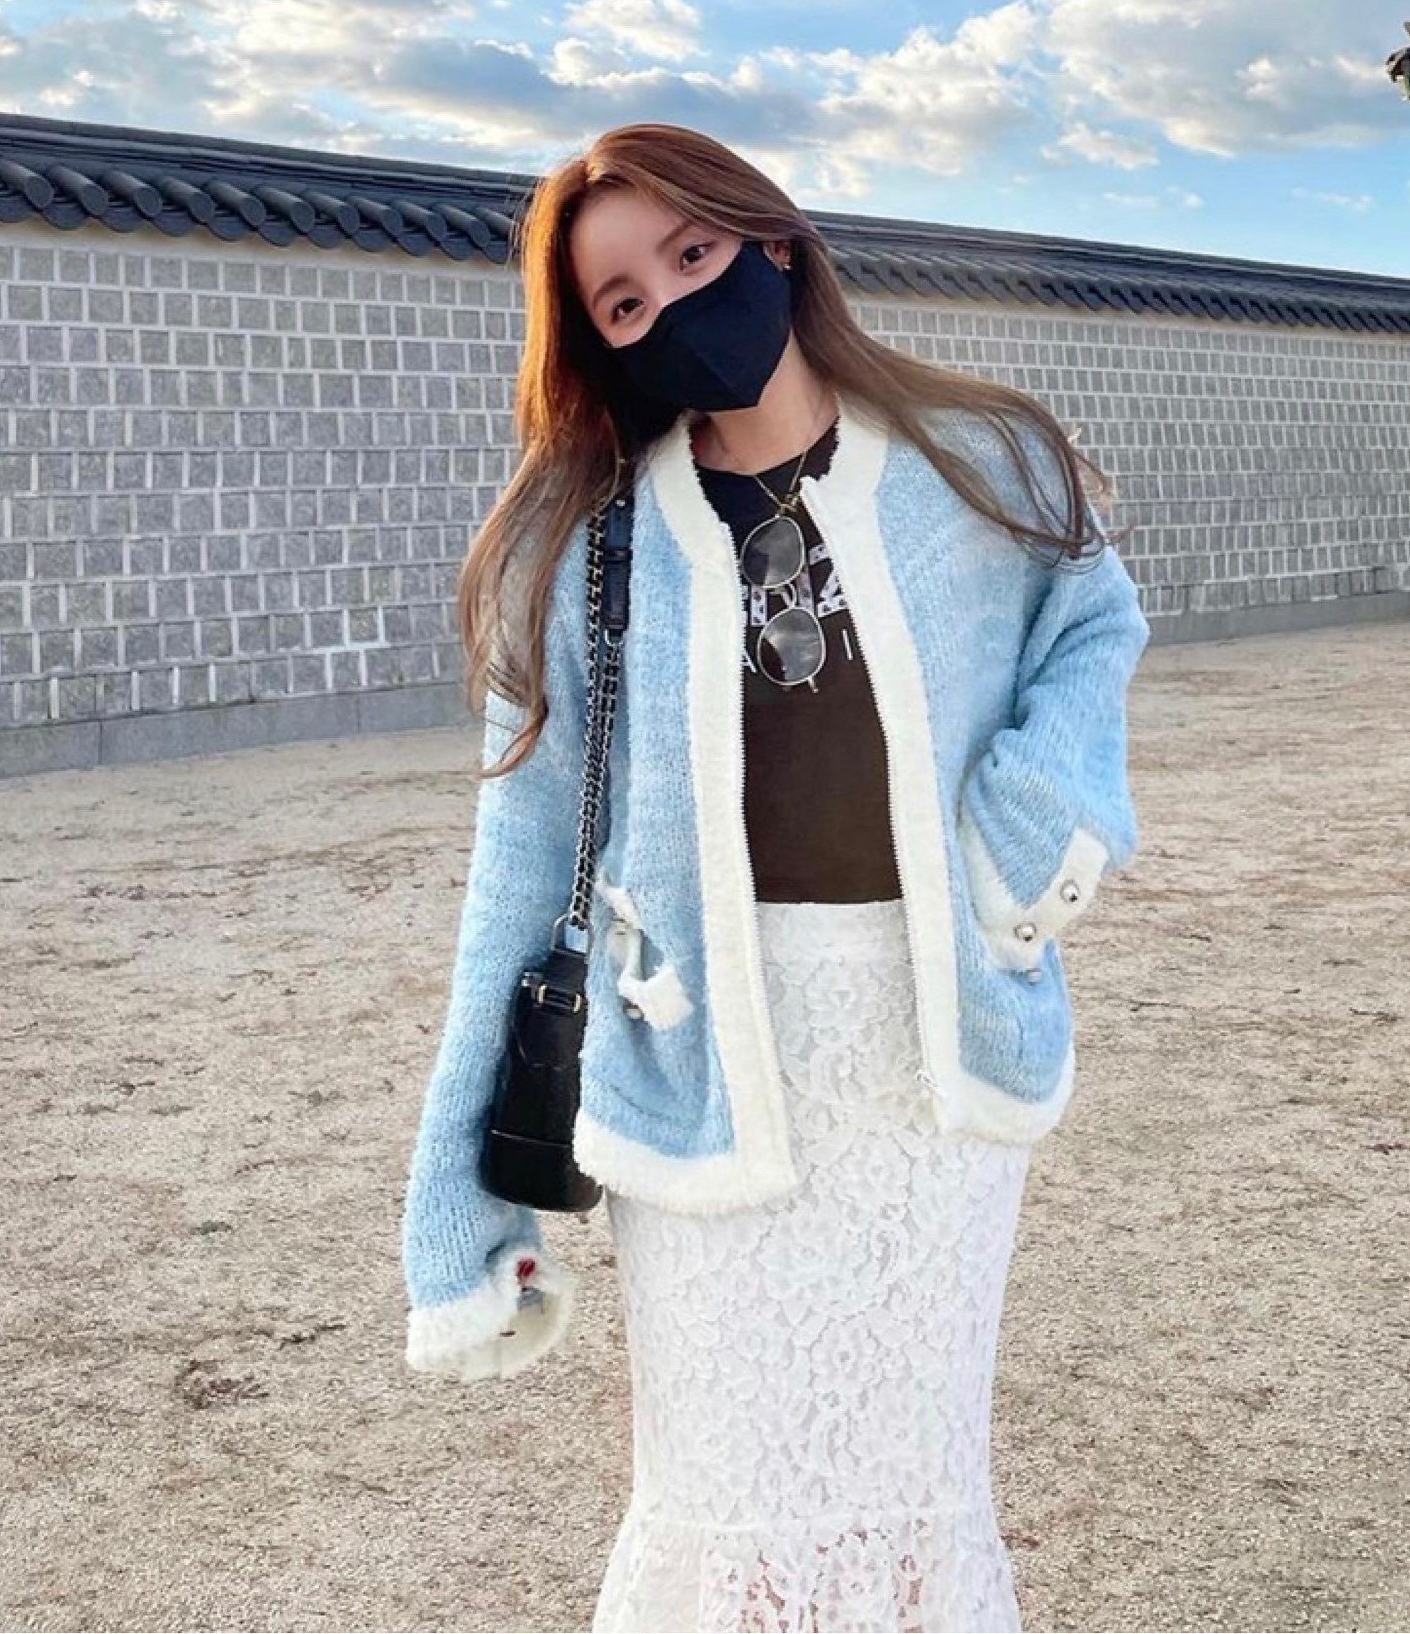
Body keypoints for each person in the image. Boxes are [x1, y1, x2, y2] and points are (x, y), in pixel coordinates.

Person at [399, 121, 1151, 1634]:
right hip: (697, 1063)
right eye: (626, 301)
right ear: (601, 346)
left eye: (694, 254)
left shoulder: (975, 457)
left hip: (925, 1058)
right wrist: (454, 1203)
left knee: (918, 1483)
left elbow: (1092, 618)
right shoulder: (583, 548)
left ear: (773, 242)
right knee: (722, 1497)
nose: (675, 303)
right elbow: (520, 866)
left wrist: (1020, 834)